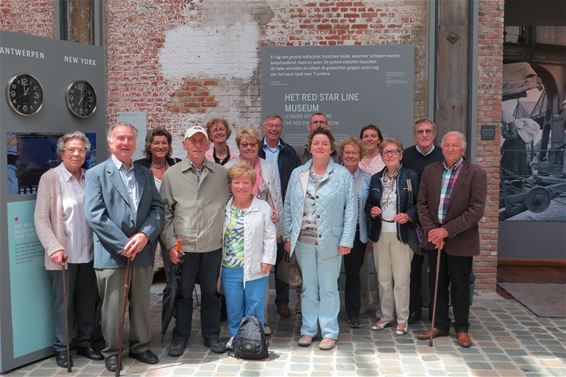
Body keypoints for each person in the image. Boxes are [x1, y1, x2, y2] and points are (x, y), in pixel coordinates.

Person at [85, 123, 163, 372]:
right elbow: (95, 214)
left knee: (141, 302)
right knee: (112, 306)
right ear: (110, 143)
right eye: (120, 138)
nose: (126, 143)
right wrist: (123, 244)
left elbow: (157, 209)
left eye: (130, 138)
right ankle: (113, 350)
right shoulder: (96, 174)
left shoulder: (144, 173)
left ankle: (140, 346)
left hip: (142, 252)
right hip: (111, 253)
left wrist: (144, 236)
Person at [283, 127, 356, 351]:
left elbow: (351, 209)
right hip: (303, 240)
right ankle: (308, 330)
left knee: (328, 288)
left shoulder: (342, 174)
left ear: (331, 147)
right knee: (308, 288)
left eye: (324, 143)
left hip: (331, 242)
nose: (320, 147)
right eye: (316, 143)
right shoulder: (298, 174)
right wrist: (287, 235)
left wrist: (346, 240)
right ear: (310, 147)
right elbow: (287, 207)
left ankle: (329, 332)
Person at [34, 131, 102, 369]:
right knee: (63, 304)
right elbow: (41, 219)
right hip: (63, 256)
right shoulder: (50, 179)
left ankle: (85, 343)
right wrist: (53, 247)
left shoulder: (90, 177)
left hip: (89, 254)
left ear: (86, 153)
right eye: (71, 149)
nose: (76, 153)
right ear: (61, 152)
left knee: (87, 303)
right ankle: (63, 348)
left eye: (81, 150)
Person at [160, 126, 230, 356]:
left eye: (201, 140)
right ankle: (181, 336)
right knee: (183, 293)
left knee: (211, 293)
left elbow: (233, 203)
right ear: (185, 144)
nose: (198, 144)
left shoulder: (220, 174)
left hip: (212, 245)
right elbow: (165, 213)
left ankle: (211, 334)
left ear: (208, 144)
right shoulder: (172, 174)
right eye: (193, 140)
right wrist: (170, 244)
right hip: (184, 247)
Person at [416, 131, 487, 348]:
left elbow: (476, 210)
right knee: (436, 282)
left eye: (455, 145)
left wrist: (445, 231)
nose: (450, 148)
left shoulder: (476, 173)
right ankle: (439, 325)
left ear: (462, 149)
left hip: (460, 240)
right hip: (435, 240)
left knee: (460, 285)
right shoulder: (431, 171)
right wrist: (432, 231)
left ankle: (462, 328)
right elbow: (422, 204)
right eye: (446, 145)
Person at [226, 127, 283, 335]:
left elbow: (276, 194)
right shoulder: (230, 167)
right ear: (239, 146)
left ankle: (259, 325)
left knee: (259, 283)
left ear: (258, 145)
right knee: (235, 291)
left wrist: (278, 219)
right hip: (238, 229)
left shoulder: (267, 166)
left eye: (252, 144)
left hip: (263, 220)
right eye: (244, 144)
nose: (249, 147)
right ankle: (237, 331)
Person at [366, 138, 419, 336]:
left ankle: (402, 319)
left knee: (402, 279)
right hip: (380, 235)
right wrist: (372, 210)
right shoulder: (375, 179)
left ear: (401, 154)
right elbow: (369, 204)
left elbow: (419, 203)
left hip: (401, 235)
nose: (389, 155)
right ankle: (386, 316)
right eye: (386, 152)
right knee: (383, 279)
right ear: (381, 156)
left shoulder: (410, 176)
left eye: (393, 151)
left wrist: (409, 215)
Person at [222, 162, 277, 347]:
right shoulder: (225, 207)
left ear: (253, 184)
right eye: (237, 182)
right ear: (231, 184)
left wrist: (268, 259)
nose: (241, 187)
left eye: (246, 182)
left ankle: (254, 338)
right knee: (234, 306)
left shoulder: (263, 207)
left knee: (255, 306)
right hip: (230, 267)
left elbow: (270, 236)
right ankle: (235, 337)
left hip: (256, 265)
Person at [258, 114, 302, 318]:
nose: (274, 129)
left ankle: (282, 301)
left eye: (277, 126)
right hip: (260, 210)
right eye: (270, 126)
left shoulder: (289, 152)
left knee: (282, 258)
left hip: (283, 208)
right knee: (261, 259)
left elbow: (295, 183)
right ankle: (261, 302)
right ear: (263, 127)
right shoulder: (255, 150)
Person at [402, 119, 444, 324]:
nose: (424, 135)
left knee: (437, 271)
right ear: (414, 135)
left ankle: (437, 312)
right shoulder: (406, 156)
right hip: (413, 223)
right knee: (413, 270)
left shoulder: (445, 155)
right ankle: (414, 309)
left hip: (438, 224)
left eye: (428, 131)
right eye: (420, 131)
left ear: (434, 134)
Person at [135, 127, 181, 274]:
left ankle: (172, 296)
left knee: (174, 265)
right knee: (144, 264)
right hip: (148, 222)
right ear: (149, 145)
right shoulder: (139, 166)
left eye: (164, 143)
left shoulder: (177, 164)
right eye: (156, 143)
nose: (160, 146)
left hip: (172, 224)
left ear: (169, 145)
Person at [339, 137, 371, 329]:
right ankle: (330, 312)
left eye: (354, 153)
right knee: (330, 276)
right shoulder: (333, 175)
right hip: (335, 233)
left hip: (357, 235)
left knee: (353, 275)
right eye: (347, 152)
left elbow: (370, 206)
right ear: (342, 155)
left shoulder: (368, 178)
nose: (351, 156)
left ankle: (353, 313)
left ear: (360, 155)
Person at [357, 124, 385, 315]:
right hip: (360, 218)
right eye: (365, 136)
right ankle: (365, 299)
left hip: (379, 218)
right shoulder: (355, 160)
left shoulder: (384, 160)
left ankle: (382, 305)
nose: (369, 139)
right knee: (361, 267)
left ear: (379, 139)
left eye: (373, 136)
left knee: (380, 266)